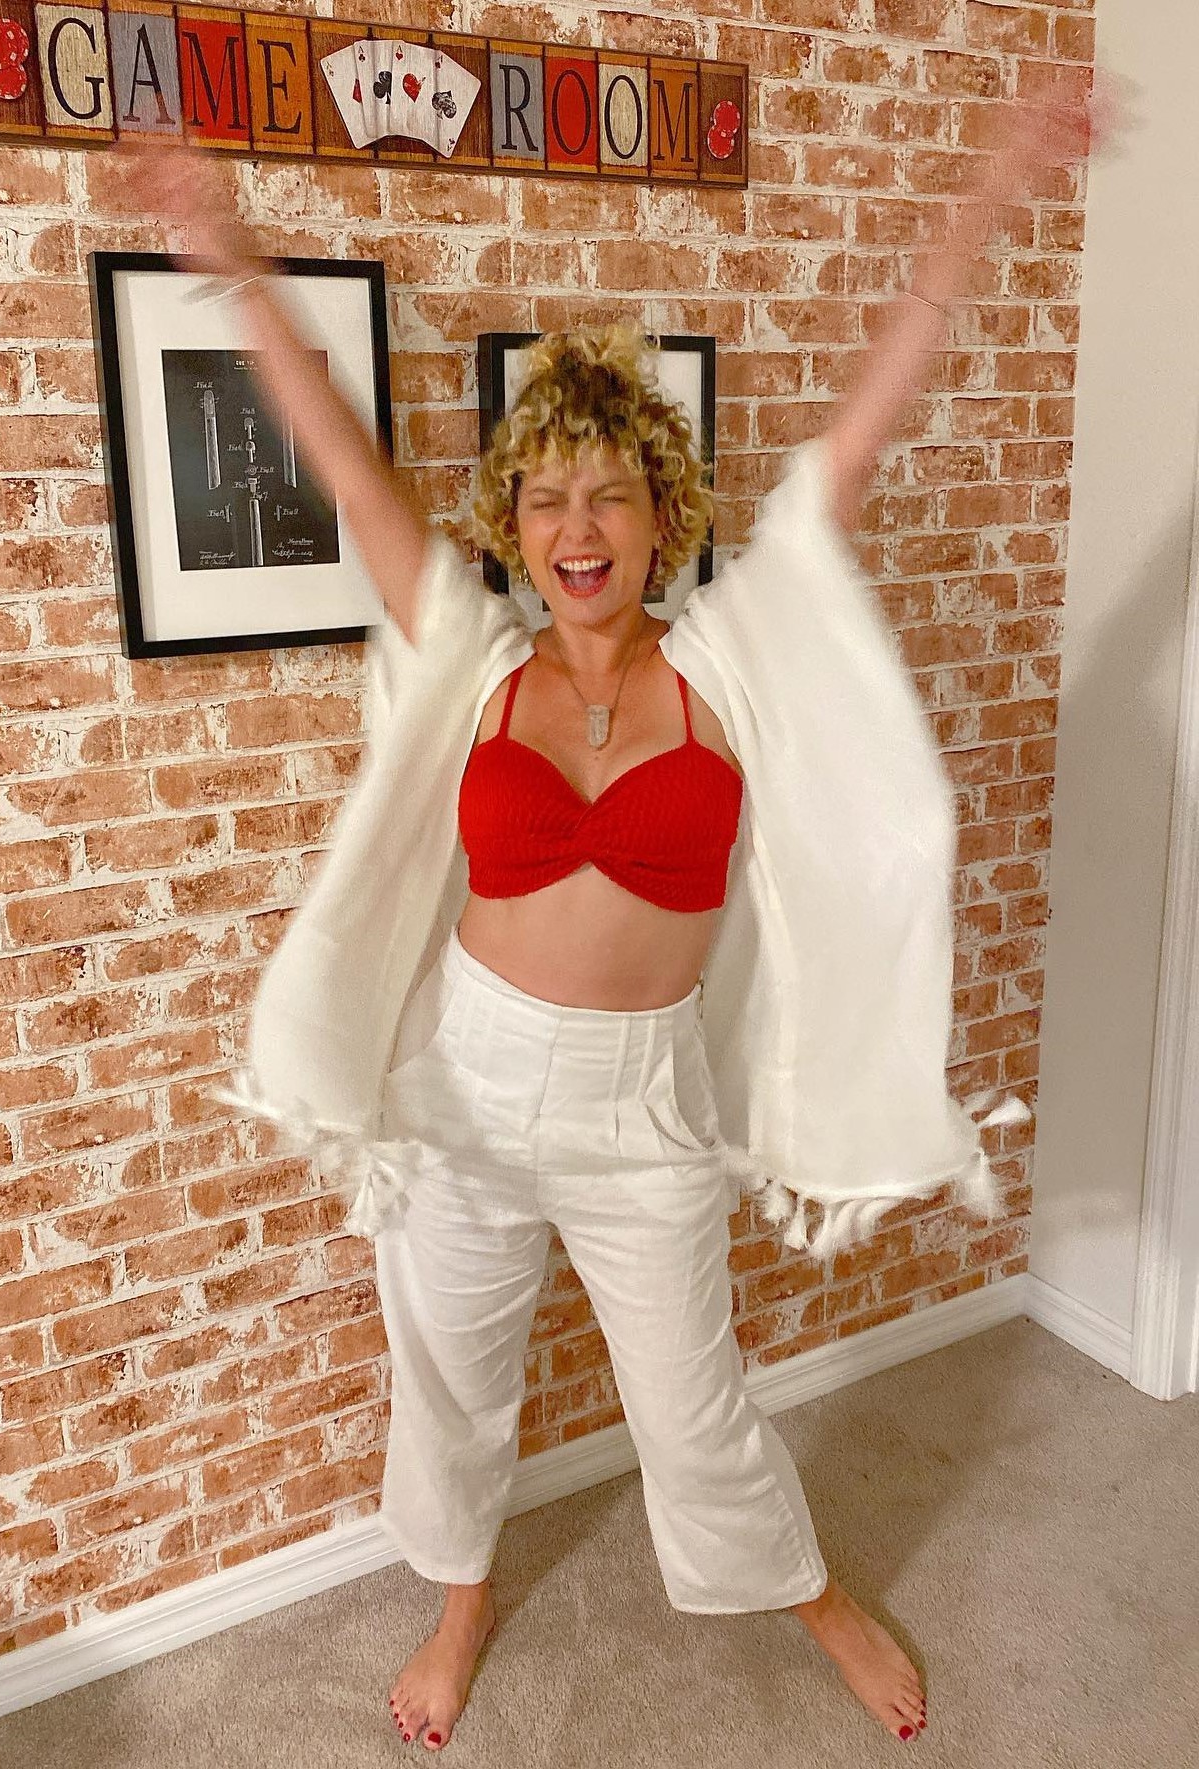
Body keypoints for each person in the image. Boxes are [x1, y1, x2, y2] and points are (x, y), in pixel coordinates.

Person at [130, 87, 1103, 1755]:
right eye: (545, 500)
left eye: (607, 495)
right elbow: (346, 459)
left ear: (660, 513)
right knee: (448, 1377)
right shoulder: (472, 657)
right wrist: (225, 257)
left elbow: (854, 439)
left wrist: (988, 194)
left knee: (694, 1402)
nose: (575, 530)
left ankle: (808, 1591)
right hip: (463, 1086)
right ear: (511, 525)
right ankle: (460, 1600)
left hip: (640, 1100)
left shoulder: (727, 663)